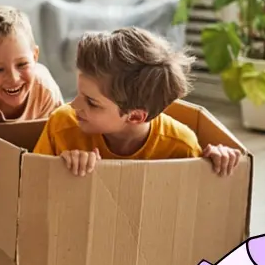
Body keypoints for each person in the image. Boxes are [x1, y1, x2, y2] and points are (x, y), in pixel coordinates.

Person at [32, 27, 242, 177]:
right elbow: (29, 185)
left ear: (134, 116)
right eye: (79, 93)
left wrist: (215, 161)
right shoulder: (62, 125)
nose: (75, 105)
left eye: (92, 102)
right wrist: (60, 169)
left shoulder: (180, 145)